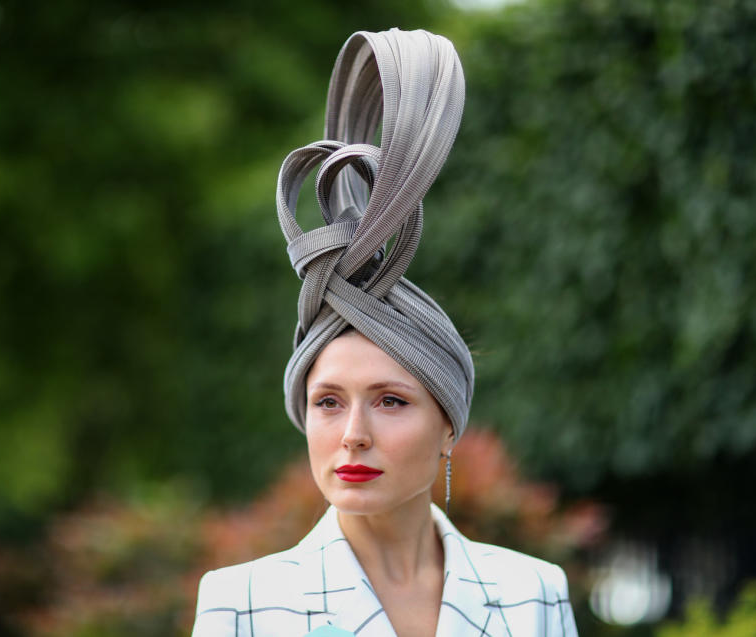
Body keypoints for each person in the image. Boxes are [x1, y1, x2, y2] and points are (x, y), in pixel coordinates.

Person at [192, 28, 578, 637]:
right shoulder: (242, 602)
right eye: (328, 402)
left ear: (448, 424)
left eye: (391, 400)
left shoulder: (534, 594)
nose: (353, 436)